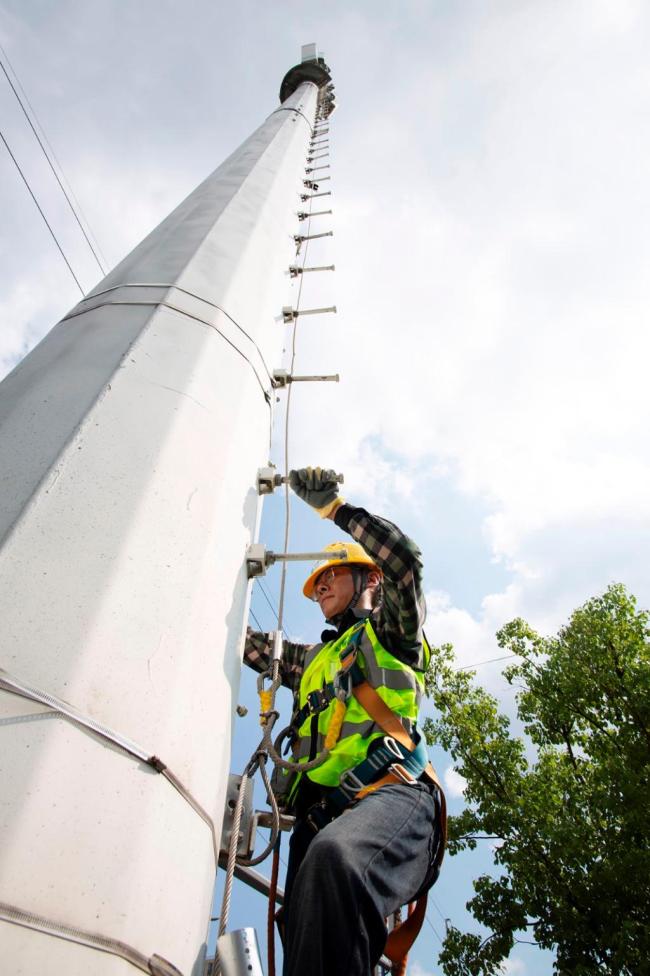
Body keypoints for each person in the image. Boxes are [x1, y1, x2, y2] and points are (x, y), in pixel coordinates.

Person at [244, 467, 445, 976]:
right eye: (316, 585)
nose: (320, 587)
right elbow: (241, 642)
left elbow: (405, 563)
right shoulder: (309, 659)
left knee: (335, 862)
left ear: (368, 579)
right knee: (303, 921)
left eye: (331, 575)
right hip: (318, 820)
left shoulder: (391, 635)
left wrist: (337, 510)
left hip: (391, 793)